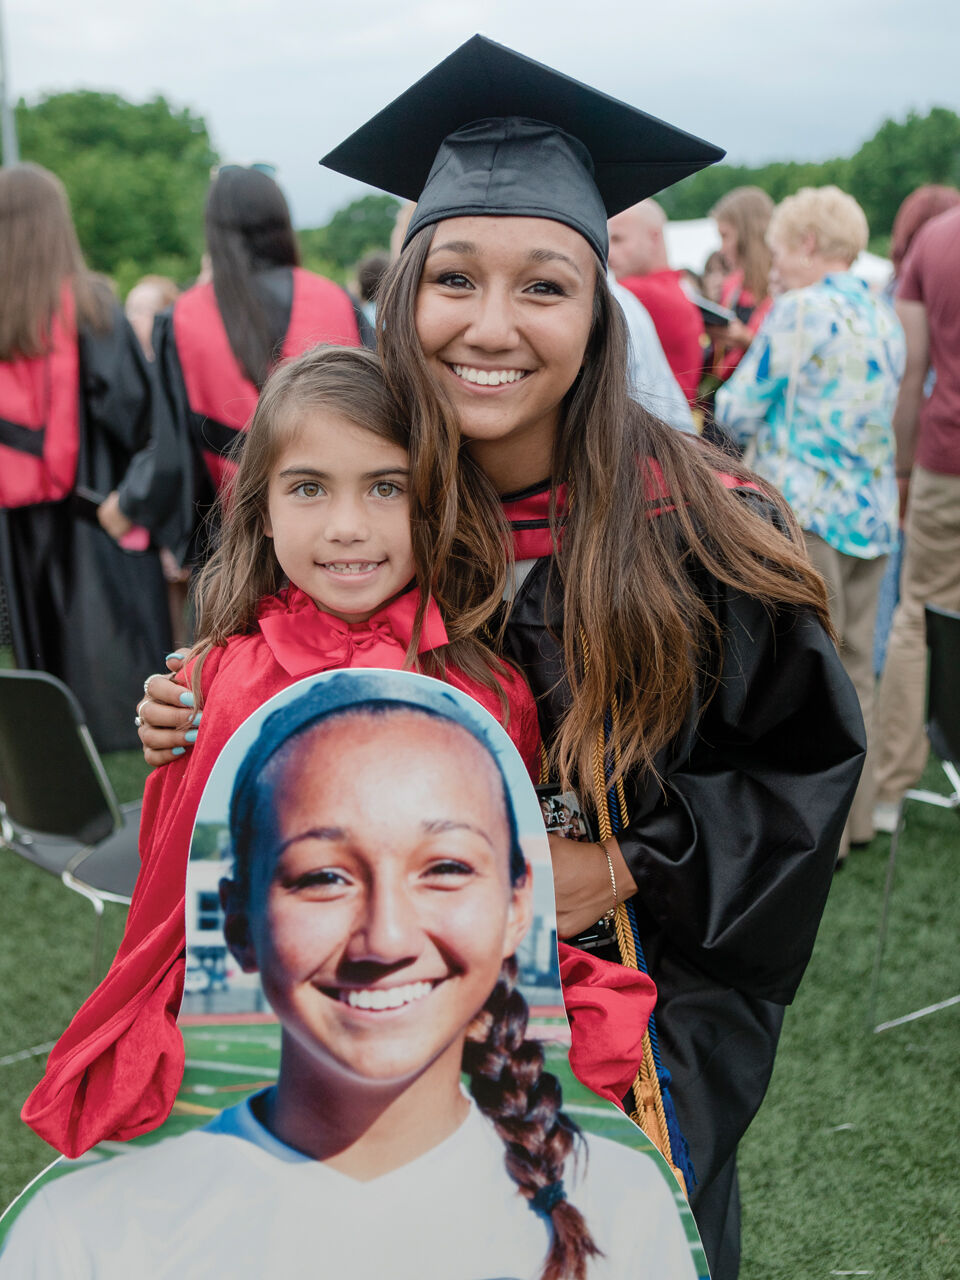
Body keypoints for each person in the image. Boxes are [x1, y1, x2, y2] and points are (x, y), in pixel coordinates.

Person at [136, 36, 865, 1280]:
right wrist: (196, 702)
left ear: (598, 312)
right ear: (405, 296)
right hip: (384, 1023)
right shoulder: (374, 507)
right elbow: (280, 666)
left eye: (544, 286)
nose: (491, 324)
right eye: (455, 278)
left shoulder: (703, 529)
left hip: (630, 1011)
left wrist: (622, 865)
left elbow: (797, 775)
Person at [22, 344, 541, 1158]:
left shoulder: (489, 694)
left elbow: (507, 903)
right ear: (261, 509)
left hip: (432, 1039)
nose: (347, 527)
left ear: (433, 500)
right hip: (254, 1041)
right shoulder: (217, 684)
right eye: (308, 488)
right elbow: (172, 896)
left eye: (387, 487)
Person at [4, 673, 698, 1280]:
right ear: (236, 918)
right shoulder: (85, 1231)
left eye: (444, 869)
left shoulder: (619, 1202)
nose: (386, 938)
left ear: (519, 905)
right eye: (323, 877)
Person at [714, 186, 904, 854]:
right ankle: (859, 817)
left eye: (779, 252)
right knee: (858, 670)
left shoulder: (801, 309)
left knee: (804, 669)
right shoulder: (882, 313)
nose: (774, 266)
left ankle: (819, 829)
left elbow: (738, 407)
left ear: (808, 244)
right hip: (872, 514)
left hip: (809, 513)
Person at [97, 166, 371, 568]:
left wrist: (128, 503)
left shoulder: (183, 319)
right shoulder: (336, 302)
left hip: (231, 548)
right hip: (340, 534)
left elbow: (171, 453)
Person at [0, 163, 171, 750]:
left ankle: (48, 750)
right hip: (94, 514)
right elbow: (136, 416)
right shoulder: (91, 305)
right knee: (107, 651)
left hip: (15, 522)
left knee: (38, 648)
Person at [871, 201, 960, 826]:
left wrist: (901, 469)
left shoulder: (936, 237)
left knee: (917, 615)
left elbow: (912, 372)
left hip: (945, 457)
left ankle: (890, 791)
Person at [608, 199, 706, 404]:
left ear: (654, 238)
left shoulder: (640, 293)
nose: (608, 252)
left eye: (618, 239)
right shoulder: (674, 287)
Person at [708, 186, 774, 382]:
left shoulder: (784, 286)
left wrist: (746, 340)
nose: (722, 249)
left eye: (725, 236)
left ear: (747, 236)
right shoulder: (731, 286)